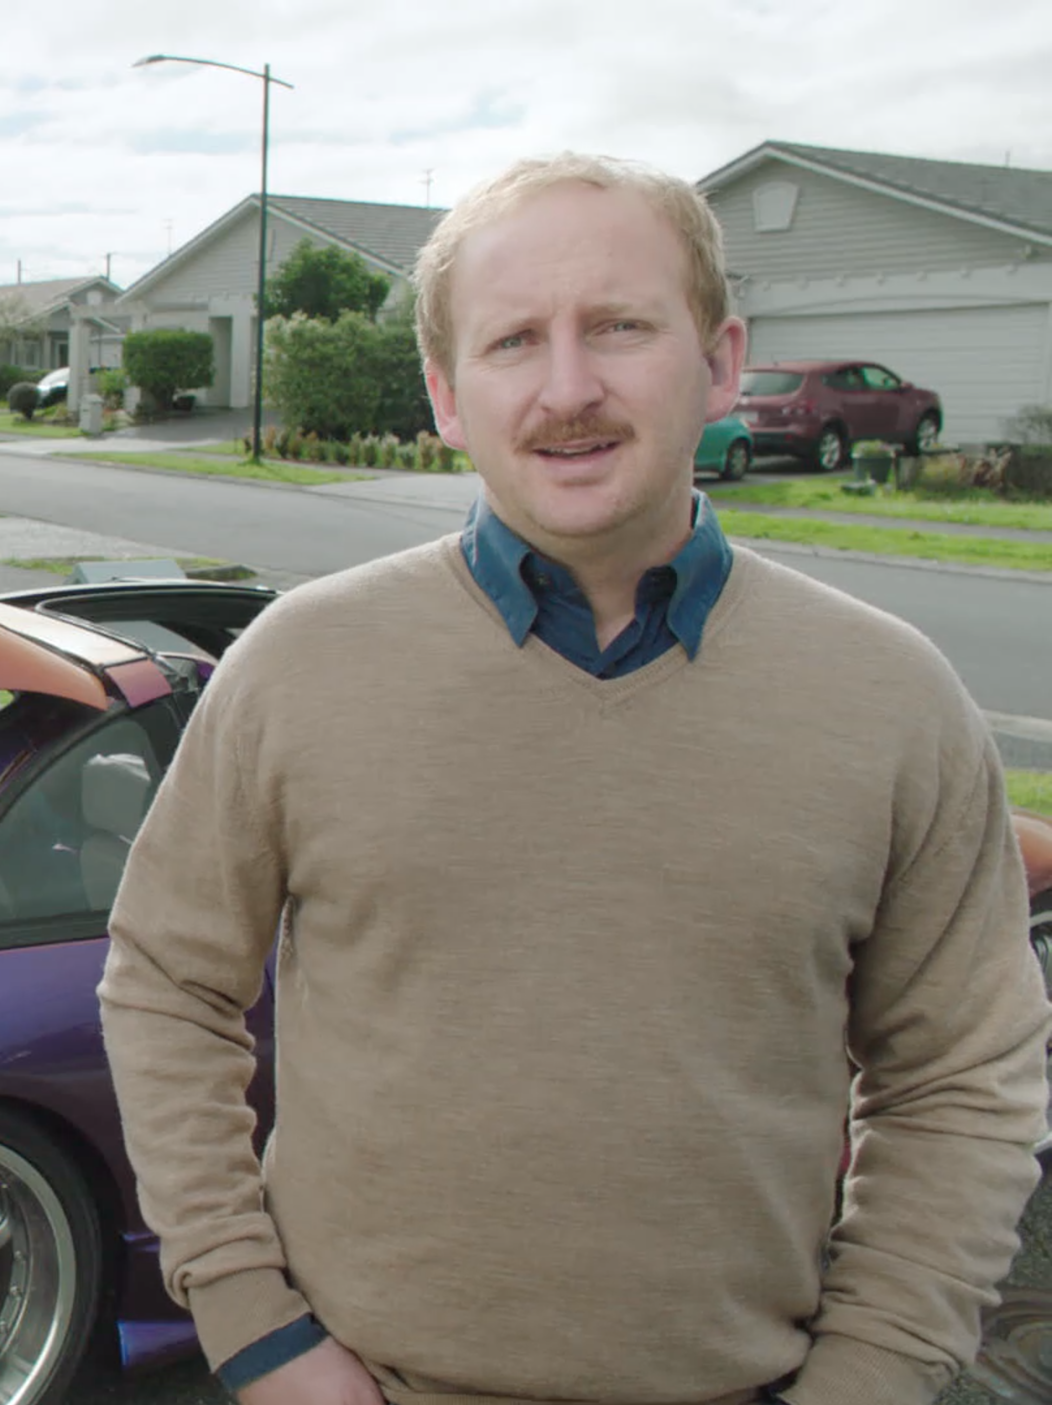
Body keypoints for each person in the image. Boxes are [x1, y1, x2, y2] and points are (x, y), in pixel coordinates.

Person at [98, 153, 1050, 1405]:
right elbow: (166, 981)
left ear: (719, 360)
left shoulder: (894, 699)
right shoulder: (298, 666)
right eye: (512, 341)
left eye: (618, 326)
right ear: (447, 395)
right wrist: (251, 1323)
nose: (567, 389)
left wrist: (872, 1372)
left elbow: (962, 1078)